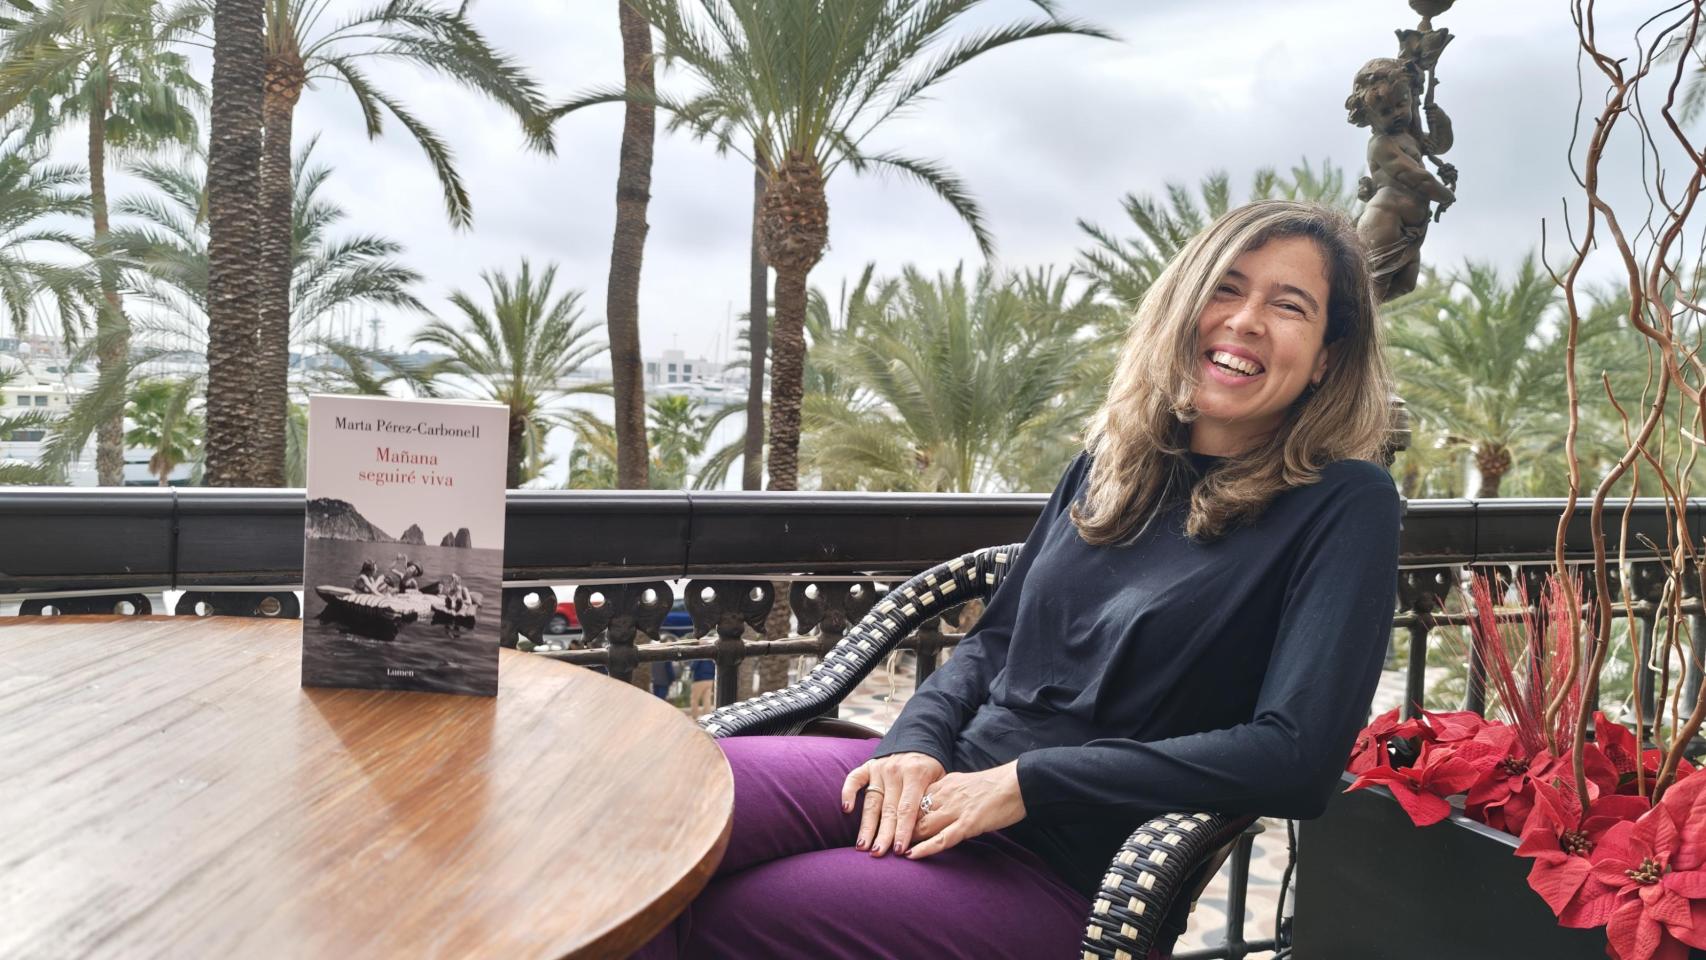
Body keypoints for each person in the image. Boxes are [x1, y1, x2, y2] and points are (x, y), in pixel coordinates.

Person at [630, 201, 1402, 960]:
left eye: (1289, 305)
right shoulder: (1112, 466)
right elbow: (993, 642)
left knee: (714, 911)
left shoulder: (1343, 504)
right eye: (1226, 287)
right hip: (943, 783)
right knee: (653, 808)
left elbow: (1297, 757)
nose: (1245, 320)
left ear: (1328, 356)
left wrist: (1031, 782)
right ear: (1184, 305)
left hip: (1053, 865)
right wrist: (915, 744)